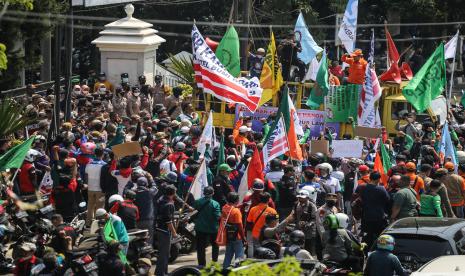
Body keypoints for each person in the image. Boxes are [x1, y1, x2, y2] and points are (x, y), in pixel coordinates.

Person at [360, 172, 390, 249]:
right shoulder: (381, 189)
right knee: (379, 236)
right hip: (379, 216)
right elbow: (388, 200)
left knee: (368, 236)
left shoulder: (363, 188)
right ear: (378, 179)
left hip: (366, 216)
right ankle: (377, 249)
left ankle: (365, 251)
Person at [193, 186, 221, 267]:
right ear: (213, 193)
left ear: (204, 193)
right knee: (215, 246)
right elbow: (217, 216)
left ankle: (201, 264)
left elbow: (194, 211)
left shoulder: (197, 202)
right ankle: (214, 263)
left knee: (200, 247)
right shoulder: (215, 204)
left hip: (200, 228)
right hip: (213, 229)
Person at [155, 184, 177, 276]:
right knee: (164, 253)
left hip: (158, 228)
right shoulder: (168, 204)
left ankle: (162, 271)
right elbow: (168, 221)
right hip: (164, 231)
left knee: (164, 253)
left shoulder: (161, 199)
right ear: (173, 193)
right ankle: (161, 273)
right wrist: (174, 233)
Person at [246, 192, 277, 257]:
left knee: (257, 249)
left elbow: (249, 221)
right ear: (268, 200)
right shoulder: (273, 211)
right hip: (267, 235)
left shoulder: (253, 209)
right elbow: (276, 223)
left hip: (256, 234)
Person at [222, 192, 246, 269]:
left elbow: (230, 209)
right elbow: (240, 225)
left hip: (228, 235)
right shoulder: (236, 211)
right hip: (237, 236)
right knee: (239, 256)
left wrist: (240, 206)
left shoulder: (224, 207)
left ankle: (224, 270)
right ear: (236, 200)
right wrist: (243, 238)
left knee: (228, 255)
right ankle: (238, 271)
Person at [84, 147, 106, 227]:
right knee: (100, 207)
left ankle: (88, 223)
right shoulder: (104, 165)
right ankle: (98, 224)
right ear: (102, 154)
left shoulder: (89, 163)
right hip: (100, 189)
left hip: (90, 188)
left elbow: (86, 175)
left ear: (95, 154)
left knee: (90, 206)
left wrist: (87, 184)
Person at [293, 189, 318, 255]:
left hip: (309, 232)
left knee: (308, 250)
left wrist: (307, 224)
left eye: (302, 198)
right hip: (298, 231)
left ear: (307, 198)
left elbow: (315, 219)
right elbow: (294, 216)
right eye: (299, 197)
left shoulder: (312, 206)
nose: (300, 199)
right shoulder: (296, 205)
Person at [134, 177, 158, 245]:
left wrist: (129, 183)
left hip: (138, 220)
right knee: (149, 237)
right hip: (148, 220)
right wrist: (151, 178)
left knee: (138, 237)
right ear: (146, 184)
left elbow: (125, 191)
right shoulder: (150, 192)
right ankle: (148, 252)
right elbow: (155, 187)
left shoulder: (133, 193)